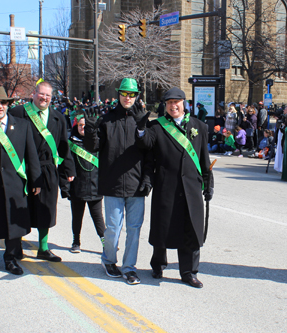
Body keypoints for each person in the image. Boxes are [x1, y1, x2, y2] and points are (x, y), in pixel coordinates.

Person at [133, 87, 213, 288]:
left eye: (176, 102)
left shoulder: (199, 127)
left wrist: (208, 184)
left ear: (184, 103)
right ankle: (158, 264)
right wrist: (141, 129)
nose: (173, 106)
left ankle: (189, 272)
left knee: (191, 231)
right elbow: (146, 145)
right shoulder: (157, 127)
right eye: (169, 103)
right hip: (166, 186)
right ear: (165, 106)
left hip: (191, 188)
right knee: (163, 228)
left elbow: (204, 160)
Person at [83, 78, 152, 285]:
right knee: (112, 228)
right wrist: (91, 130)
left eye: (132, 94)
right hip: (112, 183)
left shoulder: (142, 121)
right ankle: (109, 260)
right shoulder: (106, 120)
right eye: (124, 93)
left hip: (136, 184)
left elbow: (149, 152)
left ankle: (129, 267)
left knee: (134, 228)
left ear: (137, 96)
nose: (128, 98)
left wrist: (148, 179)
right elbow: (92, 148)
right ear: (118, 94)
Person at [0, 87, 42, 276]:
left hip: (15, 183)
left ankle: (11, 259)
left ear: (8, 105)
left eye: (3, 102)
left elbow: (31, 155)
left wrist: (36, 180)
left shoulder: (22, 125)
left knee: (15, 221)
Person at [10, 81, 76, 262]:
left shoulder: (58, 117)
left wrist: (68, 169)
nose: (44, 98)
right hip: (23, 167)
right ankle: (16, 247)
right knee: (21, 208)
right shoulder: (18, 113)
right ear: (33, 93)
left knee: (45, 209)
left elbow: (63, 146)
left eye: (48, 95)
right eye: (41, 94)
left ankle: (43, 248)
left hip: (46, 169)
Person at [61, 114, 105, 253]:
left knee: (98, 217)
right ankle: (76, 241)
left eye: (86, 125)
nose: (83, 128)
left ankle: (105, 242)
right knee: (77, 216)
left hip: (95, 186)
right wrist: (65, 186)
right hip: (77, 188)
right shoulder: (70, 143)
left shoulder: (97, 143)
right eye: (80, 125)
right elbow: (65, 166)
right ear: (76, 126)